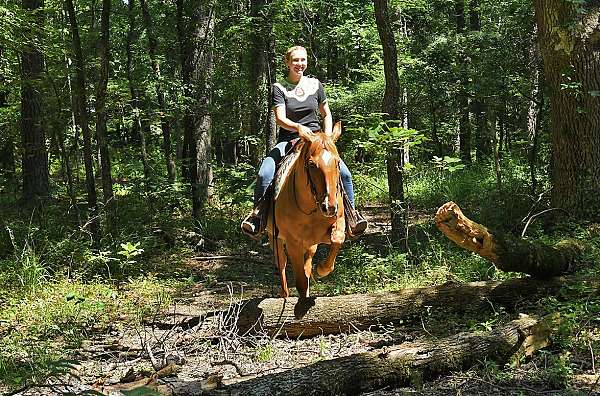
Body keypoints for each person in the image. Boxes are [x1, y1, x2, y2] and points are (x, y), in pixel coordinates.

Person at [241, 45, 367, 238]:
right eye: (295, 60)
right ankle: (257, 217)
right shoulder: (279, 87)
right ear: (287, 63)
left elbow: (326, 114)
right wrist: (298, 128)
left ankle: (352, 216)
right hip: (290, 139)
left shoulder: (315, 85)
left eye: (303, 60)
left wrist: (326, 139)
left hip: (317, 140)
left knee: (345, 174)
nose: (300, 64)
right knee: (264, 172)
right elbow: (280, 118)